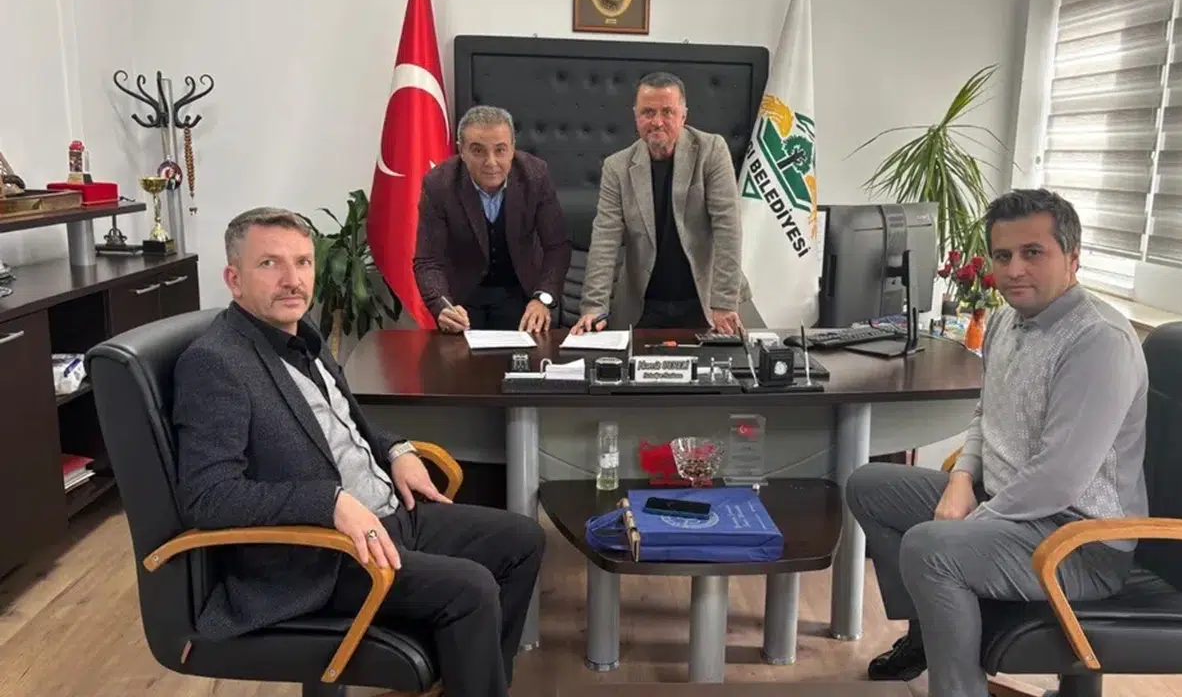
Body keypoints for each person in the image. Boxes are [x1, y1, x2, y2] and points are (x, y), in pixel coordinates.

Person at [172, 207, 546, 697]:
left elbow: (349, 426)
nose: (292, 280)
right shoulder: (215, 363)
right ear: (234, 280)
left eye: (303, 262)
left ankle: (477, 682)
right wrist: (328, 503)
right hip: (321, 557)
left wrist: (397, 449)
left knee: (522, 539)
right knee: (472, 588)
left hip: (387, 515)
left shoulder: (304, 338)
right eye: (269, 263)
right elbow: (208, 496)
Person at [844, 188, 1148, 697]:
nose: (1014, 270)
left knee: (930, 547)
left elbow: (1057, 481)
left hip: (1077, 539)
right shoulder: (1006, 320)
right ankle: (929, 634)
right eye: (1003, 256)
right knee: (869, 485)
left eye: (1033, 253)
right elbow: (986, 415)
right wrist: (962, 478)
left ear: (1072, 258)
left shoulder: (1098, 342)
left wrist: (972, 521)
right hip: (1012, 508)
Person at [571, 71, 750, 334]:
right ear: (636, 116)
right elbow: (605, 239)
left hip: (707, 302)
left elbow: (728, 228)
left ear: (683, 116)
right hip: (643, 306)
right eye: (648, 112)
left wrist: (723, 302)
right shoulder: (616, 167)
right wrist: (593, 306)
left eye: (667, 112)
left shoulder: (711, 151)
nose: (657, 122)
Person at [414, 104, 571, 333]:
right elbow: (428, 260)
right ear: (461, 151)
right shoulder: (439, 184)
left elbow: (557, 247)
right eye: (478, 151)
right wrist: (442, 306)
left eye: (500, 150)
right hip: (463, 301)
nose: (491, 162)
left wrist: (542, 299)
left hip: (523, 295)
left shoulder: (535, 175)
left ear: (513, 149)